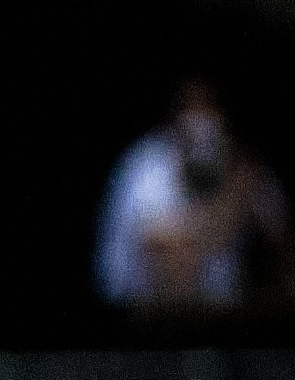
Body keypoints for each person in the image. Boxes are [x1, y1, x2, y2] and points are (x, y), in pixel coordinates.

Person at [91, 77, 283, 310]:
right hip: (140, 317)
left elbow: (282, 251)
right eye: (190, 107)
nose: (200, 119)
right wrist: (232, 203)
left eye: (209, 106)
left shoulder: (245, 166)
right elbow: (172, 262)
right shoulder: (148, 164)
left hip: (230, 318)